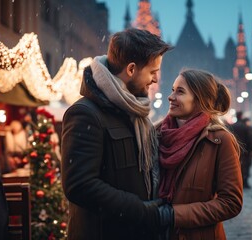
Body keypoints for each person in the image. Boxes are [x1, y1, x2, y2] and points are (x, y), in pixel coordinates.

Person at [61, 28, 173, 240]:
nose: (156, 79)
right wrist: (143, 210)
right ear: (131, 69)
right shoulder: (85, 113)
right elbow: (79, 185)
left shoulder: (133, 111)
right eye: (152, 71)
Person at [157, 69, 243, 239]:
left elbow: (231, 203)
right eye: (172, 90)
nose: (171, 96)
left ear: (199, 99)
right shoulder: (157, 135)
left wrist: (174, 215)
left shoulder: (219, 140)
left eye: (180, 92)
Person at [229, 111, 252, 188]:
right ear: (241, 116)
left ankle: (236, 182)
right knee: (246, 167)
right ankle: (244, 182)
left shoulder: (232, 126)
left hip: (233, 149)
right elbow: (251, 139)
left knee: (235, 166)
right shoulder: (245, 127)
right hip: (245, 150)